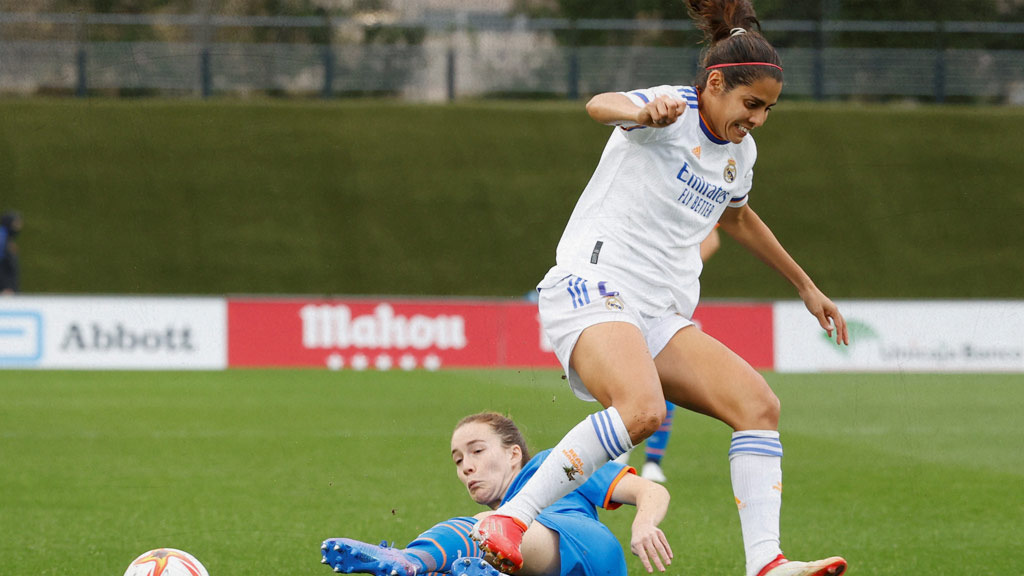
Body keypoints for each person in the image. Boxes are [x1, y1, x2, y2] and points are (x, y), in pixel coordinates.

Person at [470, 2, 850, 576]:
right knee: (642, 410)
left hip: (659, 311)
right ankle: (512, 517)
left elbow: (738, 217)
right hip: (593, 283)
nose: (759, 119)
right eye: (752, 104)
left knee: (758, 406)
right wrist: (644, 111)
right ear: (715, 83)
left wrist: (806, 286)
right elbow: (601, 105)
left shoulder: (739, 153)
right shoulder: (673, 107)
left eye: (769, 109)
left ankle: (766, 564)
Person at [321, 411, 672, 576]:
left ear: (513, 453)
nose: (466, 467)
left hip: (588, 551)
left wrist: (643, 523)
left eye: (476, 451)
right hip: (536, 563)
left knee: (486, 530)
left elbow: (650, 491)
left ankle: (409, 560)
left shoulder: (553, 464)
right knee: (458, 567)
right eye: (458, 460)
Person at [619, 226, 722, 484]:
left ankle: (652, 461)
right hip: (631, 295)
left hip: (664, 302)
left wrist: (675, 271)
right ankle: (621, 448)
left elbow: (712, 240)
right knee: (624, 375)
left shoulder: (694, 197)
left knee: (664, 379)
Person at [0, 211, 22, 295]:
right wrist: (5, 286)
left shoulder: (6, 238)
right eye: (16, 223)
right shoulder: (2, 239)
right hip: (6, 290)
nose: (19, 227)